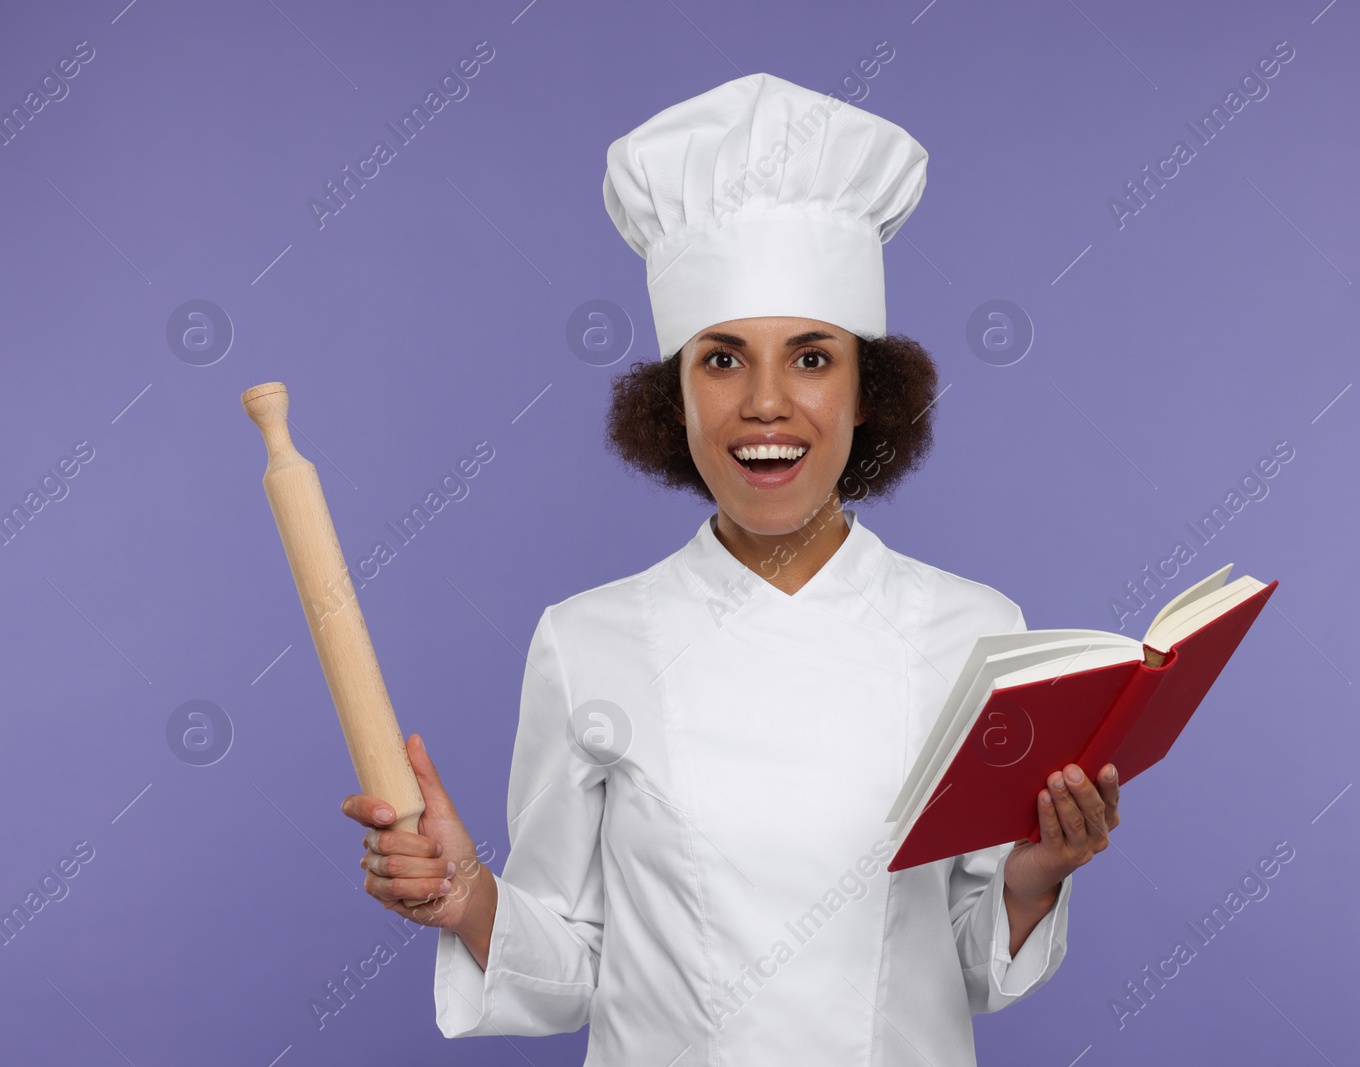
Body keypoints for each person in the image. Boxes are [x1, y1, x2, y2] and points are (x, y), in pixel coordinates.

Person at [340, 73, 1121, 1065]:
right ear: (672, 395)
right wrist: (471, 896)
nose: (764, 403)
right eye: (720, 359)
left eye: (809, 357)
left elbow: (971, 966)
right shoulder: (586, 642)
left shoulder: (972, 629)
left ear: (867, 389)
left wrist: (1035, 873)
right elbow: (572, 969)